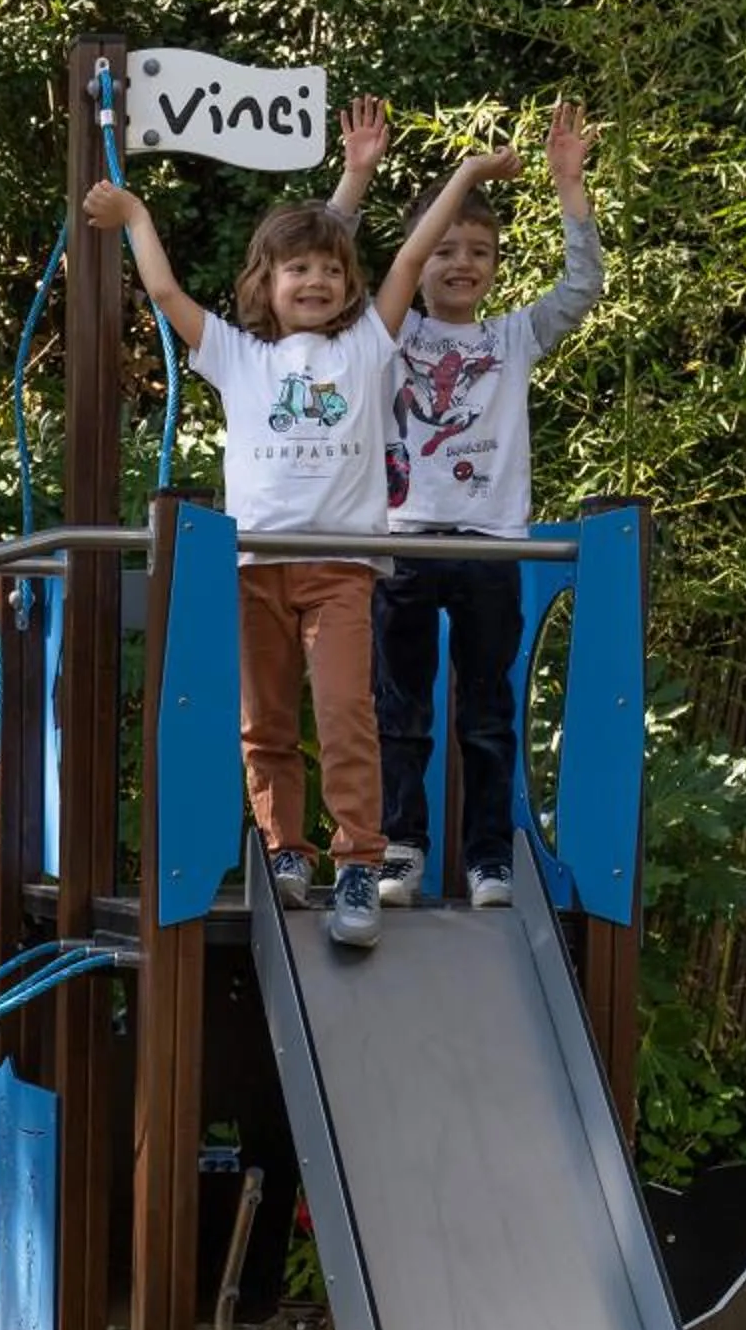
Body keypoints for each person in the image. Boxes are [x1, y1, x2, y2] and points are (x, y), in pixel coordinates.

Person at [83, 125, 517, 947]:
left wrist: (461, 175)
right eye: (297, 268)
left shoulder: (366, 347)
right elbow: (169, 297)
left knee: (349, 712)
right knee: (266, 721)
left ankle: (359, 860)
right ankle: (287, 850)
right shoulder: (239, 357)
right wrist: (138, 215)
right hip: (256, 570)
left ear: (349, 283)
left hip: (339, 570)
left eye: (328, 268)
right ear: (267, 282)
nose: (314, 279)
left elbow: (407, 259)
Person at [341, 102, 604, 909]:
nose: (462, 263)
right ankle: (403, 847)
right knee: (401, 709)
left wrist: (569, 186)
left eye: (480, 251)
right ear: (416, 261)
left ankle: (488, 856)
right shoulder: (387, 333)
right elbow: (323, 263)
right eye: (445, 248)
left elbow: (582, 286)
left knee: (488, 713)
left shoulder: (512, 337)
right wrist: (357, 178)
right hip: (404, 541)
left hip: (493, 545)